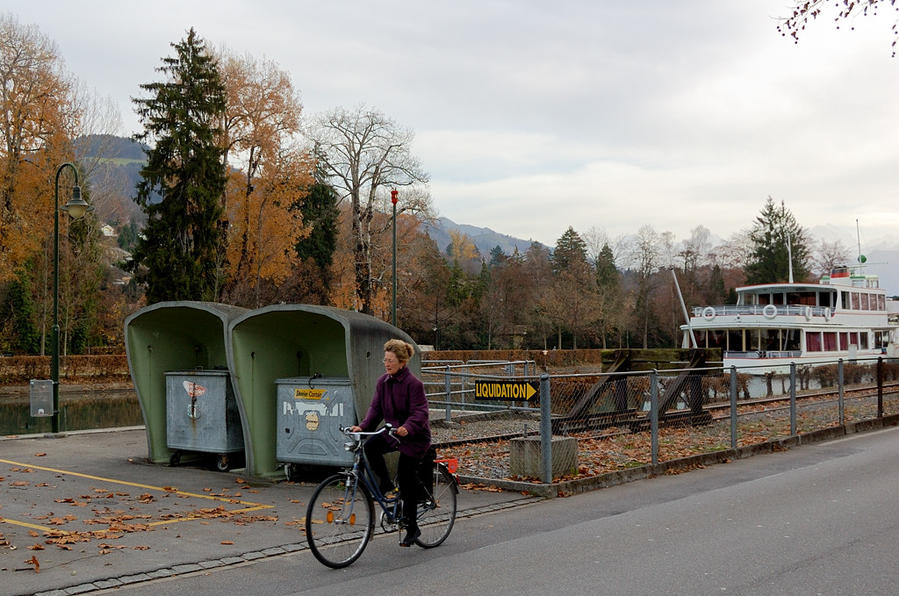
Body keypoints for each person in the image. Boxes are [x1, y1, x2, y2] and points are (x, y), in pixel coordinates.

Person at [350, 339, 431, 547]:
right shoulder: (382, 383)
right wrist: (363, 426)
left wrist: (408, 427)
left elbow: (421, 412)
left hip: (414, 437)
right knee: (370, 446)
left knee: (406, 478)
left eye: (391, 360)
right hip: (393, 433)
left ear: (402, 362)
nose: (386, 364)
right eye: (385, 360)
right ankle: (386, 486)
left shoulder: (414, 384)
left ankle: (412, 528)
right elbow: (375, 409)